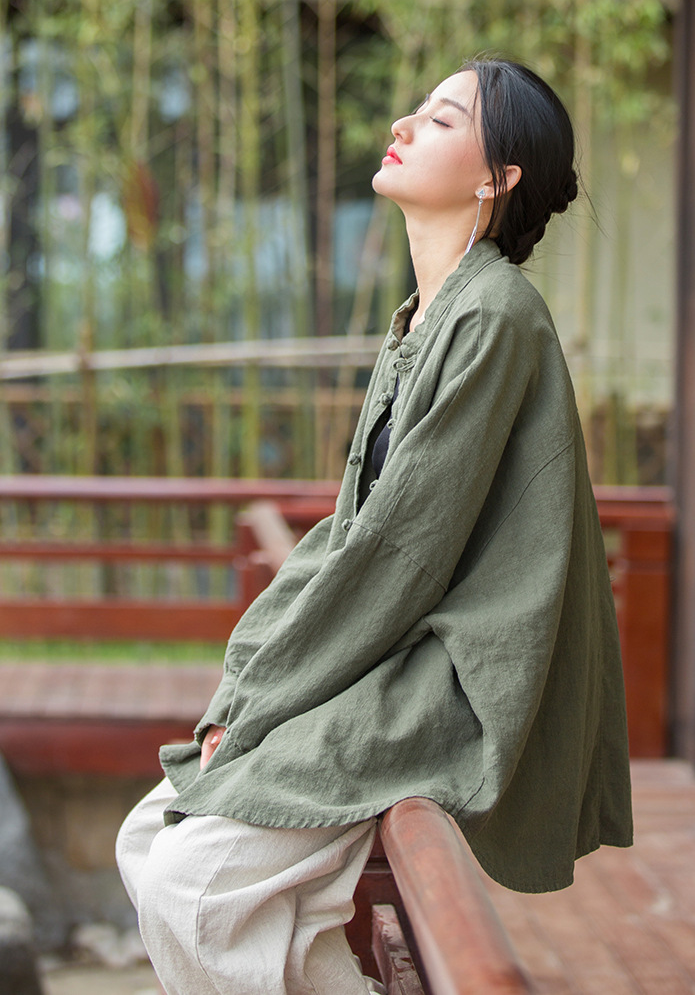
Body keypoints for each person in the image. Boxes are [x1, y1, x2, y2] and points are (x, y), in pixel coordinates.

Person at [116, 56, 633, 995]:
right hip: (394, 650)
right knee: (148, 839)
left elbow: (400, 554)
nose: (402, 123)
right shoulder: (424, 315)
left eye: (441, 119)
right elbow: (352, 533)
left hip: (451, 673)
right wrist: (246, 685)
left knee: (190, 883)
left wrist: (265, 702)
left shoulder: (494, 317)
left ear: (498, 177)